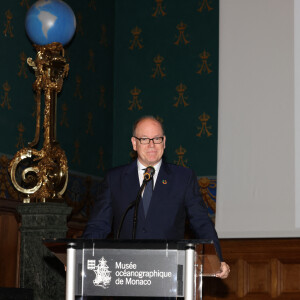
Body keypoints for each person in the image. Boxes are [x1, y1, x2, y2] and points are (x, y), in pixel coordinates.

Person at [82, 116, 230, 280]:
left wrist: (216, 259)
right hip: (125, 274)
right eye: (144, 139)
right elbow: (98, 226)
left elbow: (201, 222)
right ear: (134, 143)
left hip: (168, 274)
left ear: (164, 142)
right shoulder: (114, 179)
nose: (152, 144)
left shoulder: (183, 178)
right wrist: (80, 259)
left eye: (157, 139)